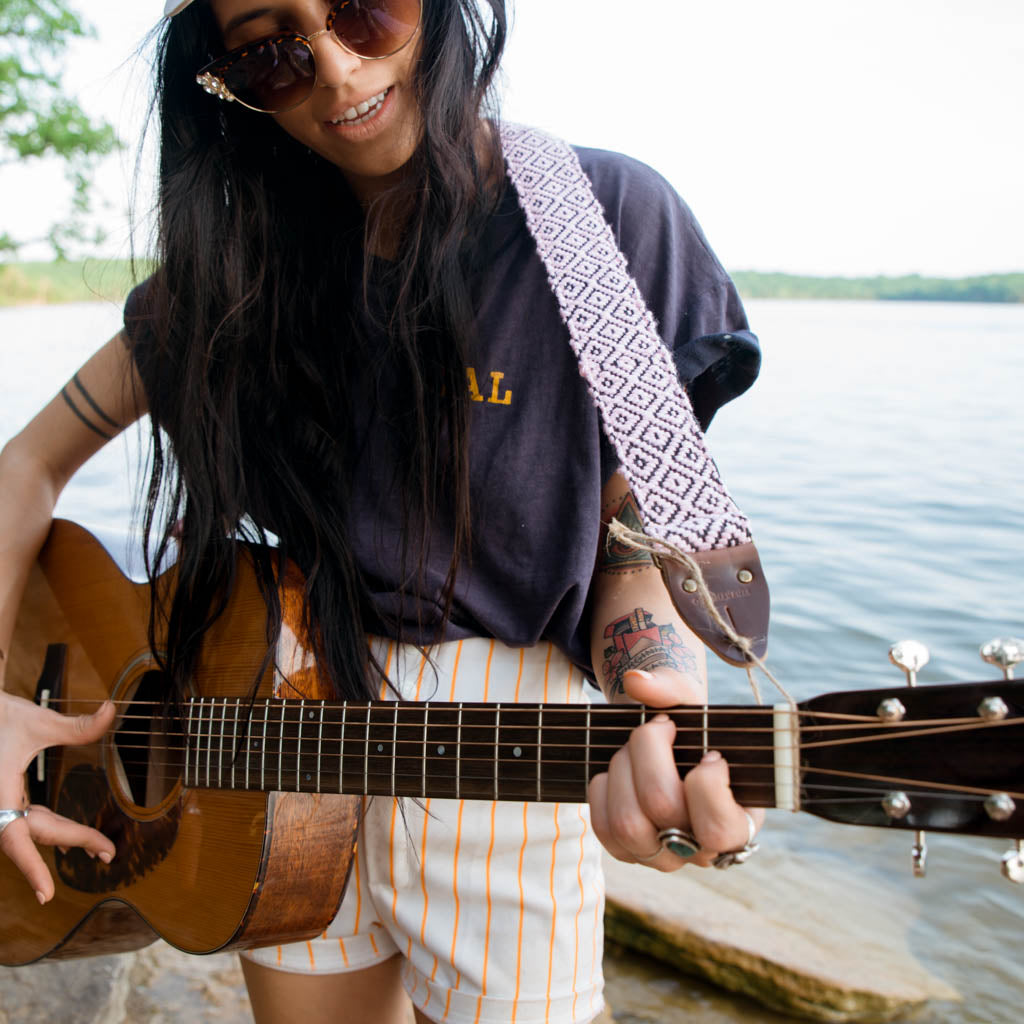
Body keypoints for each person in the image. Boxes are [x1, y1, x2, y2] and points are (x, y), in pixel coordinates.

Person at [0, 1, 766, 1021]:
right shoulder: (231, 272)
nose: (335, 68)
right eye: (273, 53)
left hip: (500, 754)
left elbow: (635, 542)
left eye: (364, 10)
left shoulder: (602, 221)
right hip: (265, 748)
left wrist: (660, 692)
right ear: (227, 82)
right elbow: (25, 468)